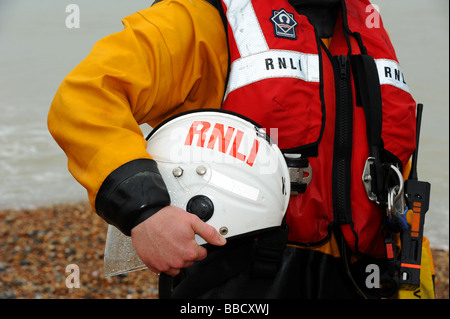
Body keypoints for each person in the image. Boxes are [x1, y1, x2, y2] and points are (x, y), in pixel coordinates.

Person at [48, 0, 435, 298]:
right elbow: (86, 97)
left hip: (367, 280)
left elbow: (395, 182)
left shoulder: (364, 27)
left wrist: (419, 277)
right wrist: (145, 212)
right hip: (237, 280)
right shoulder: (204, 17)